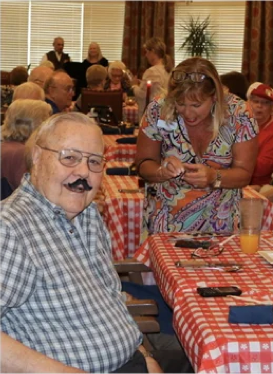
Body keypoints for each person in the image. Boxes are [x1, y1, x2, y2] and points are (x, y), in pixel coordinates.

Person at [0, 113, 165, 372]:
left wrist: (144, 355)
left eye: (94, 161)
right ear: (37, 157)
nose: (83, 172)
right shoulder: (11, 228)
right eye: (69, 157)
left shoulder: (86, 215)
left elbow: (110, 296)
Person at [135, 57, 258, 238]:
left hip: (221, 226)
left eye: (196, 105)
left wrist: (213, 177)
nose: (188, 113)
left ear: (214, 96)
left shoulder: (239, 114)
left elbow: (244, 174)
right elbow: (143, 164)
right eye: (180, 104)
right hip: (166, 224)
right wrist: (162, 171)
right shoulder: (159, 109)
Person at [1, 99, 52, 197]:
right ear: (35, 124)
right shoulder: (21, 153)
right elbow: (36, 194)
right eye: (47, 121)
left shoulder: (7, 147)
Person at [246, 82, 273, 187]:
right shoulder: (240, 123)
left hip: (259, 186)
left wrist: (235, 162)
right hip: (234, 179)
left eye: (265, 103)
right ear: (248, 103)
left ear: (272, 107)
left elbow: (262, 167)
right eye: (255, 101)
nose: (259, 106)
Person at [131, 37, 172, 118]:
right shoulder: (168, 70)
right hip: (165, 111)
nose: (146, 55)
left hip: (153, 112)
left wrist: (134, 85)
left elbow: (142, 94)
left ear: (152, 52)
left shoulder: (151, 71)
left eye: (146, 52)